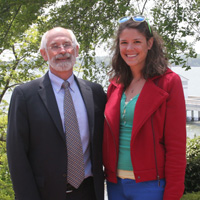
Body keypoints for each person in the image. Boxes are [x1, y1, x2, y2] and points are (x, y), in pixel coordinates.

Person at [7, 27, 106, 200]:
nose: (62, 51)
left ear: (76, 50)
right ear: (44, 54)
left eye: (67, 45)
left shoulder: (95, 92)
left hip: (90, 192)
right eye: (55, 46)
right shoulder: (24, 95)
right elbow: (17, 155)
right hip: (45, 194)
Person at [103, 16, 186, 200]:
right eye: (123, 42)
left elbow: (176, 146)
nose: (129, 48)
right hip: (115, 184)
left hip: (151, 186)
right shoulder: (115, 85)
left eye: (136, 42)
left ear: (149, 44)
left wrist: (172, 194)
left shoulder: (169, 82)